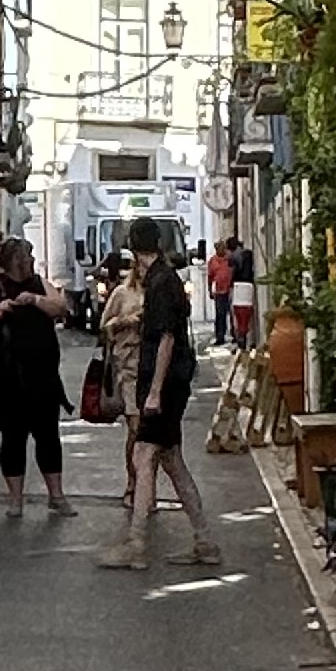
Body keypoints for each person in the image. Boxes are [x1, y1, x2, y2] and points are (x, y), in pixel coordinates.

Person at [98, 217, 220, 571]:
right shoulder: (164, 279)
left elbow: (166, 338)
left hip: (163, 384)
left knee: (144, 454)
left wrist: (153, 392)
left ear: (133, 248)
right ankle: (204, 541)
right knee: (170, 460)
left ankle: (136, 545)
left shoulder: (161, 283)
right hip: (169, 382)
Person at [0, 235, 76, 520]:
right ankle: (15, 500)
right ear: (16, 260)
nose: (32, 260)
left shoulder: (39, 284)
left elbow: (61, 308)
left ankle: (56, 495)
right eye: (28, 256)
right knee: (13, 438)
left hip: (43, 378)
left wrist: (35, 300)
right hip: (6, 378)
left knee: (48, 437)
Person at [100, 250, 147, 507]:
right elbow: (104, 327)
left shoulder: (159, 291)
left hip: (153, 368)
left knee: (152, 437)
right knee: (135, 429)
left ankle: (146, 485)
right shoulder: (122, 293)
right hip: (128, 367)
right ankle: (133, 484)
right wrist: (125, 321)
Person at [228, 240, 259, 350]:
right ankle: (244, 338)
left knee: (239, 316)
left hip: (239, 288)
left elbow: (232, 269)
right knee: (245, 316)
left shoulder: (235, 257)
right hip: (247, 287)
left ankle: (241, 339)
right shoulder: (247, 255)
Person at [206, 238, 235, 349]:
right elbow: (210, 277)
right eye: (219, 248)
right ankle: (220, 336)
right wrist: (210, 290)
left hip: (230, 289)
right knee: (220, 314)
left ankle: (234, 335)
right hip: (219, 291)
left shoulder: (229, 259)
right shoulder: (212, 261)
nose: (222, 250)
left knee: (232, 313)